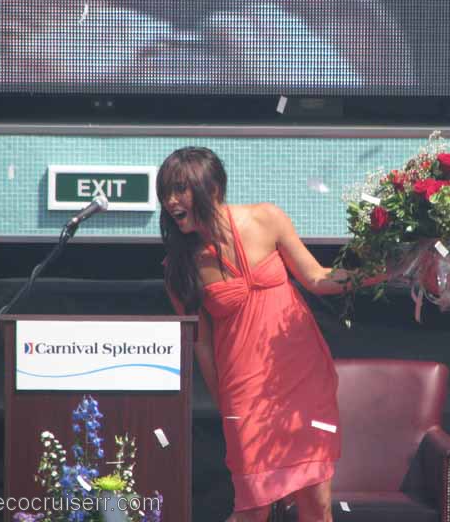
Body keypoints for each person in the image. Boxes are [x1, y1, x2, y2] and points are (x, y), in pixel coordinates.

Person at [157, 147, 383, 522]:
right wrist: (225, 403)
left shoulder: (267, 218)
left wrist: (385, 271)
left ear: (212, 188)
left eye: (180, 189)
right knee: (253, 507)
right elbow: (202, 345)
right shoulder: (179, 267)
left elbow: (317, 278)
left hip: (301, 375)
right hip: (244, 390)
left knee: (317, 502)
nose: (170, 201)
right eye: (165, 192)